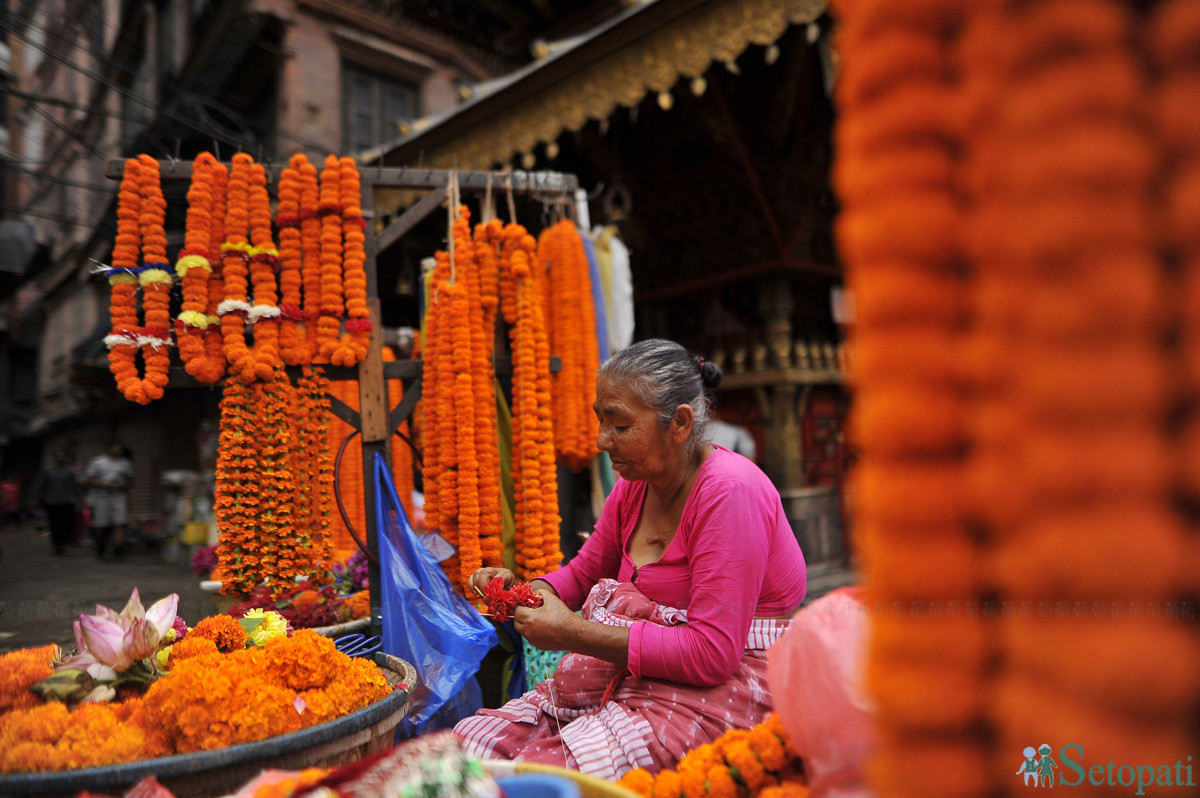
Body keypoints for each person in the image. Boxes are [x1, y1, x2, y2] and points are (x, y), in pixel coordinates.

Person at [454, 338, 807, 779]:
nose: (602, 441)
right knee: (470, 747)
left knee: (550, 774)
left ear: (678, 423)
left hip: (725, 684)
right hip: (642, 675)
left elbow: (712, 654)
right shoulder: (635, 487)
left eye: (620, 427)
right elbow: (581, 576)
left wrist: (572, 632)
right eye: (601, 422)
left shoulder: (730, 492)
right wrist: (525, 591)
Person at [85, 440, 133, 559]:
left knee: (119, 523)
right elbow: (90, 479)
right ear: (109, 448)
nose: (119, 451)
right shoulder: (98, 462)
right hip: (101, 497)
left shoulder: (125, 463)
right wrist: (104, 484)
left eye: (121, 449)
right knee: (100, 527)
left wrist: (123, 486)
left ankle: (117, 549)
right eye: (117, 448)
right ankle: (101, 546)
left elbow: (131, 480)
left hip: (119, 496)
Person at [37, 449, 81, 555]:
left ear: (65, 457)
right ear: (55, 458)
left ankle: (63, 539)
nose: (60, 458)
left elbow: (76, 486)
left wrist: (79, 498)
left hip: (66, 501)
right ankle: (57, 545)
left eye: (62, 456)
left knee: (68, 523)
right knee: (54, 525)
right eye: (58, 456)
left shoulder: (70, 471)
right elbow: (41, 485)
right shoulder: (49, 471)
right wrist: (38, 498)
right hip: (52, 502)